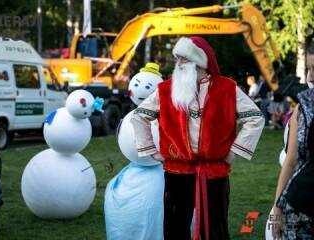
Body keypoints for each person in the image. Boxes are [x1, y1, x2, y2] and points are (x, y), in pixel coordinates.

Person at [131, 36, 265, 240]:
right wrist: (151, 150)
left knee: (215, 228)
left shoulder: (227, 89)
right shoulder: (166, 90)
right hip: (177, 170)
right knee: (175, 228)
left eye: (184, 59)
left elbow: (255, 118)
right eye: (177, 59)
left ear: (200, 62)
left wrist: (233, 152)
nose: (178, 65)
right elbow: (139, 116)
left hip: (214, 172)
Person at [272, 69, 314, 239]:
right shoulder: (305, 105)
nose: (310, 74)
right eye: (310, 67)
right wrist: (277, 209)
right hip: (300, 206)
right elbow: (290, 161)